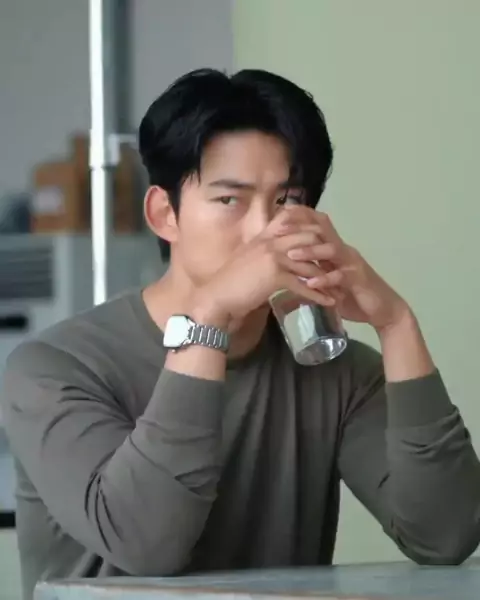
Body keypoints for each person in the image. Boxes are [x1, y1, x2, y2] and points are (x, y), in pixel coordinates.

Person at [2, 68, 480, 600]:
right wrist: (210, 316)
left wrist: (397, 323)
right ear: (164, 214)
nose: (263, 230)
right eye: (230, 200)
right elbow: (146, 546)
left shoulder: (336, 371)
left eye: (287, 199)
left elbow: (445, 536)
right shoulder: (52, 369)